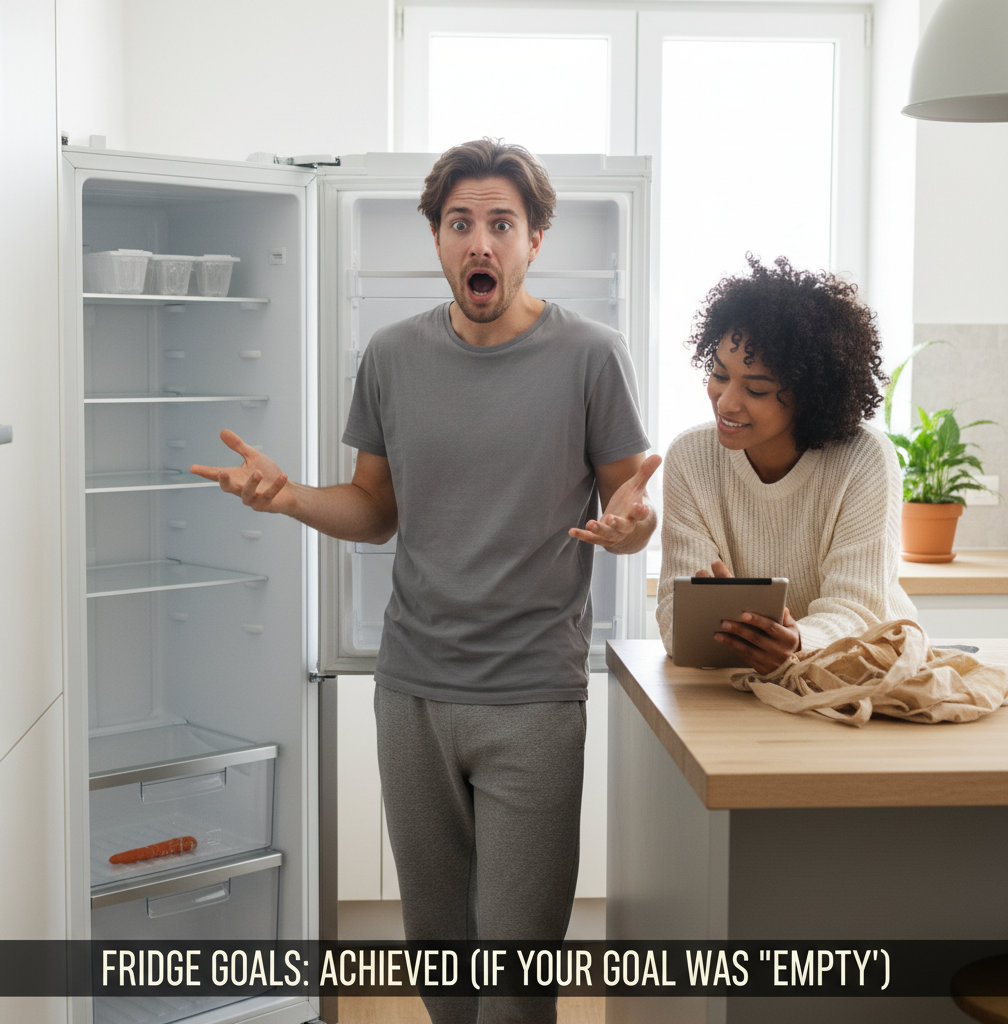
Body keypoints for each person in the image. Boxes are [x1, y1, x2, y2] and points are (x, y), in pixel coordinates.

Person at [192, 138, 659, 1024]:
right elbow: (376, 506)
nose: (479, 243)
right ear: (437, 241)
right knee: (440, 962)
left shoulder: (593, 356)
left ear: (535, 240)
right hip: (410, 695)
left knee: (516, 977)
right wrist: (289, 497)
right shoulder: (393, 356)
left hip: (532, 700)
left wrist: (637, 527)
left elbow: (627, 512)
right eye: (460, 224)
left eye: (500, 224)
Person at [656, 255, 915, 674]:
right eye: (720, 374)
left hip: (857, 673)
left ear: (810, 395)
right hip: (735, 682)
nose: (725, 402)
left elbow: (859, 613)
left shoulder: (864, 460)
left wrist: (798, 643)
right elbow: (675, 614)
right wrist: (716, 626)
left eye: (756, 390)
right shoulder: (690, 457)